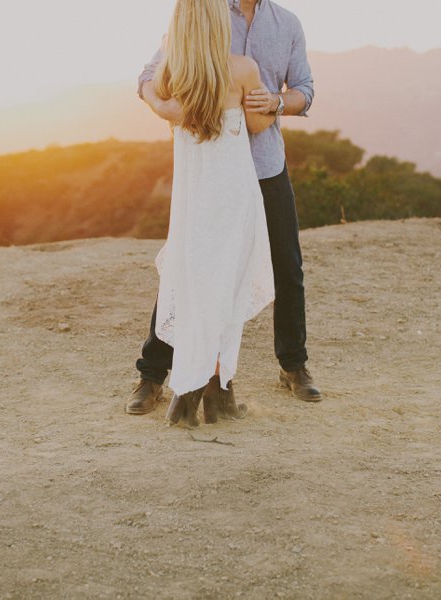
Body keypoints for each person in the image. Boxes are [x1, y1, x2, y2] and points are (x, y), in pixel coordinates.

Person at [128, 0, 322, 420]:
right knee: (189, 265)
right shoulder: (205, 13)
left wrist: (276, 102)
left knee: (287, 266)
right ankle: (153, 374)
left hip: (266, 166)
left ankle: (293, 366)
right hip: (212, 174)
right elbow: (149, 75)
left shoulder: (287, 23)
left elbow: (304, 90)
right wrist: (161, 107)